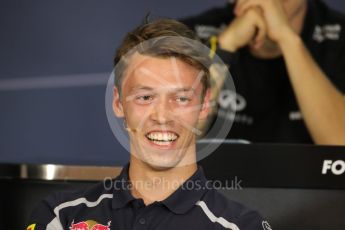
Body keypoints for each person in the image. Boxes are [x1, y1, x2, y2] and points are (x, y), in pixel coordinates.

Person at [26, 19, 271, 230]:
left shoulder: (243, 226)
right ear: (119, 103)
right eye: (145, 97)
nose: (162, 116)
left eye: (181, 98)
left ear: (204, 106)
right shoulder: (60, 216)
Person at [181, 0, 345, 145]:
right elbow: (178, 138)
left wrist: (287, 39)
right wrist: (225, 46)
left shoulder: (339, 36)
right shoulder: (187, 36)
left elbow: (340, 142)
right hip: (221, 179)